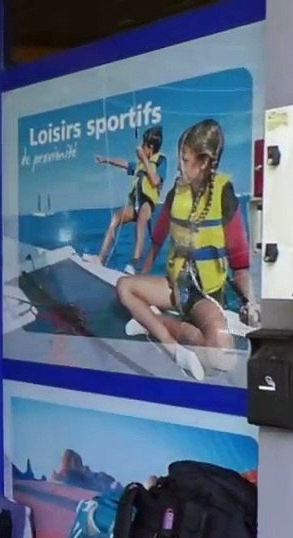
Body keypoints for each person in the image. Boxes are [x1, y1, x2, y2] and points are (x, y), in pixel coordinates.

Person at [114, 120, 259, 381]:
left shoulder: (224, 195)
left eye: (185, 158)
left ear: (202, 162)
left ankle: (159, 324)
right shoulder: (174, 194)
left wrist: (251, 303)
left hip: (205, 296)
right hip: (175, 288)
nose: (179, 165)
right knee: (124, 287)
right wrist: (142, 281)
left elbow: (240, 264)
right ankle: (173, 347)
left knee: (222, 361)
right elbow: (157, 241)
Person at [95, 126, 165, 269]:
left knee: (141, 221)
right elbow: (124, 164)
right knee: (115, 217)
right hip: (135, 204)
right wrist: (105, 159)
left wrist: (145, 159)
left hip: (148, 204)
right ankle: (100, 258)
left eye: (144, 145)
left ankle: (133, 265)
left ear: (150, 147)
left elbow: (155, 181)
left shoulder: (160, 161)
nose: (141, 148)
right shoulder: (140, 165)